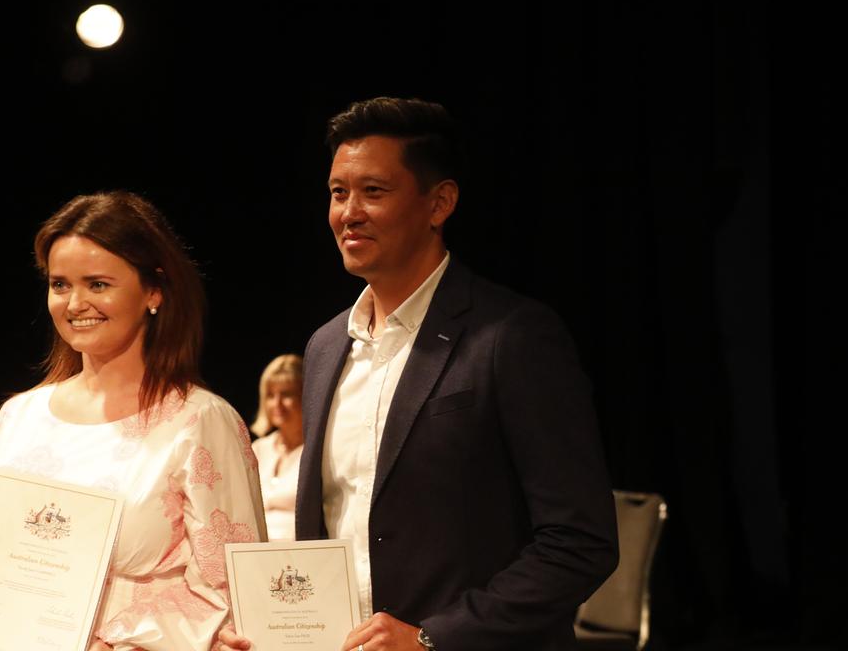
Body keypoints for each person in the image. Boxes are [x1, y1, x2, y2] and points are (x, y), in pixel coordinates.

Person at [220, 97, 618, 651]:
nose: (349, 212)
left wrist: (435, 637)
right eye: (338, 192)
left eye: (373, 192)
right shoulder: (326, 345)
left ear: (440, 203)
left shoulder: (512, 335)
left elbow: (579, 541)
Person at [0, 191, 267, 651]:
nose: (75, 303)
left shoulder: (199, 421)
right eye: (59, 284)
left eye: (97, 284)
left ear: (154, 290)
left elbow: (236, 592)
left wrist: (123, 642)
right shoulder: (20, 419)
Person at [249, 353, 305, 541]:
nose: (277, 404)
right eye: (271, 395)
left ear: (305, 397)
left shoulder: (315, 451)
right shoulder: (258, 449)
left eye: (287, 394)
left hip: (301, 557)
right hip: (258, 554)